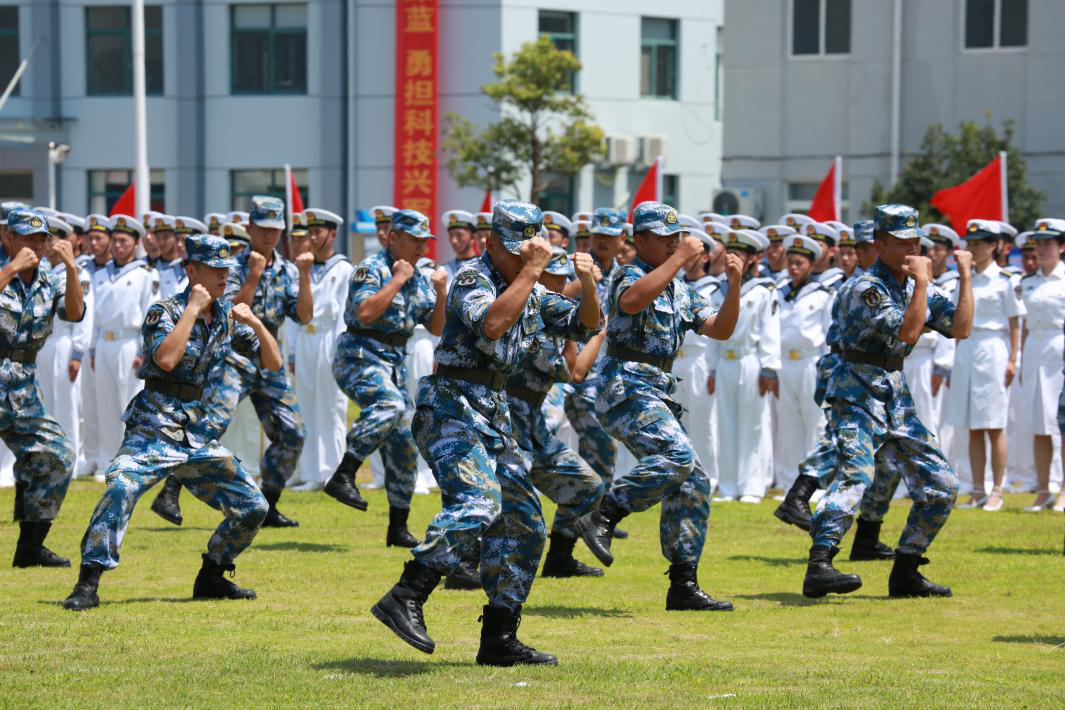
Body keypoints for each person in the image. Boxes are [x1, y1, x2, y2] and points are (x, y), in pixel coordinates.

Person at [370, 199, 601, 666]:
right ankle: (407, 592)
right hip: (450, 407)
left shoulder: (529, 288)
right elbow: (494, 324)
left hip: (493, 414)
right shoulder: (472, 279)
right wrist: (533, 272)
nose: (523, 259)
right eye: (516, 251)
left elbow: (587, 323)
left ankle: (498, 636)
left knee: (527, 523)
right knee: (479, 502)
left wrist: (591, 284)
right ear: (491, 242)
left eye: (530, 252)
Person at [62, 234, 280, 611]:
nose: (223, 278)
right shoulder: (163, 311)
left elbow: (273, 363)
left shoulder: (227, 316)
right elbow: (166, 360)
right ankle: (88, 582)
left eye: (226, 271)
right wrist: (192, 310)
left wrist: (256, 323)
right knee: (120, 488)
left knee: (253, 505)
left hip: (193, 433)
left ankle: (212, 574)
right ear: (191, 270)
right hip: (152, 425)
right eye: (215, 270)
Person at [575, 201, 743, 610]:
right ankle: (604, 514)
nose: (673, 245)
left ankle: (683, 584)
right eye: (664, 239)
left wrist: (735, 284)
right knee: (677, 455)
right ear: (640, 240)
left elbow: (719, 329)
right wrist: (682, 259)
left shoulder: (679, 288)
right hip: (626, 388)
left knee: (694, 480)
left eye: (676, 239)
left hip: (658, 389)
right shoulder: (627, 274)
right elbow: (631, 302)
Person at [802, 204, 972, 600]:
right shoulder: (866, 288)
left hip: (895, 395)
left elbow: (960, 327)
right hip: (856, 393)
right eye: (902, 242)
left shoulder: (913, 286)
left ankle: (907, 570)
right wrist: (925, 285)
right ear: (880, 245)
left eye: (916, 241)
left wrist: (964, 276)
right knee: (856, 477)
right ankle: (820, 565)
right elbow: (908, 332)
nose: (912, 249)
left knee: (941, 484)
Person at [324, 209, 446, 548]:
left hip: (394, 361)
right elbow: (364, 313)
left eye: (425, 241)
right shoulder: (372, 269)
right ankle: (344, 474)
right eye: (415, 240)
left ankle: (398, 527)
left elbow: (436, 327)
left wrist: (442, 292)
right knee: (389, 406)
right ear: (394, 238)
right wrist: (396, 281)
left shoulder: (421, 277)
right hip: (359, 356)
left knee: (405, 443)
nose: (422, 247)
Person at [200, 196, 313, 527]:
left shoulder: (288, 270)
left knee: (294, 432)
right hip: (231, 357)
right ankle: (172, 491)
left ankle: (268, 504)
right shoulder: (230, 265)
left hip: (267, 359)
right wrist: (252, 275)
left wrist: (305, 276)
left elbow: (304, 316)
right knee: (207, 427)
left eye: (275, 229)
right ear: (249, 227)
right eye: (262, 228)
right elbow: (231, 314)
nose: (268, 235)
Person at [507, 246, 604, 578]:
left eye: (565, 279)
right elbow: (571, 372)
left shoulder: (551, 316)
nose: (562, 285)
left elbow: (569, 367)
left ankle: (560, 557)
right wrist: (598, 334)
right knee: (507, 500)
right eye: (555, 278)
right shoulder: (526, 311)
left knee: (588, 485)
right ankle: (464, 564)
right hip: (506, 420)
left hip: (531, 422)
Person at [1, 208, 84, 567]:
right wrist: (10, 269)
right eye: (27, 238)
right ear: (8, 238)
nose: (35, 246)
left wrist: (70, 267)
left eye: (41, 239)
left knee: (58, 455)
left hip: (22, 386)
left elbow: (75, 313)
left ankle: (31, 547)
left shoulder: (50, 280)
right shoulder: (6, 271)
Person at [945, 220, 1024, 512]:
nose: (973, 249)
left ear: (994, 246)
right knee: (971, 425)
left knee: (993, 424)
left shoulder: (1005, 279)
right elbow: (957, 320)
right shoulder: (964, 279)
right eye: (970, 243)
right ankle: (977, 488)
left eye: (979, 244)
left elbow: (1015, 322)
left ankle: (997, 488)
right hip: (966, 348)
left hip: (993, 348)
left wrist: (1014, 359)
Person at [706, 229, 779, 503]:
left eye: (740, 254)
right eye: (730, 253)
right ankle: (727, 486)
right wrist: (711, 369)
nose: (733, 258)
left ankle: (752, 486)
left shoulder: (763, 290)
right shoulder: (718, 290)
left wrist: (769, 368)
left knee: (754, 424)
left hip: (751, 360)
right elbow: (712, 334)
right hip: (725, 361)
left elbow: (770, 331)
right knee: (725, 423)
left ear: (753, 258)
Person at [289, 209, 353, 490]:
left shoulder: (343, 269)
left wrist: (341, 350)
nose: (313, 237)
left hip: (329, 339)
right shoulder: (301, 267)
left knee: (331, 407)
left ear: (333, 234)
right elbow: (295, 315)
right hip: (305, 339)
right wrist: (291, 351)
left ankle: (332, 473)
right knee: (306, 408)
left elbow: (344, 316)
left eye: (319, 231)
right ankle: (310, 472)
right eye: (310, 232)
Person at [564, 208, 624, 493]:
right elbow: (548, 299)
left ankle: (596, 513)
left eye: (609, 236)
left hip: (602, 371)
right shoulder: (569, 264)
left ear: (621, 239)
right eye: (598, 234)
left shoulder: (625, 275)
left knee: (600, 443)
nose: (602, 241)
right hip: (563, 364)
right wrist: (580, 282)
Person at [91, 216, 158, 469]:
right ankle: (108, 458)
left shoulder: (144, 275)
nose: (118, 246)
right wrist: (93, 349)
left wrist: (144, 351)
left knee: (129, 401)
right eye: (115, 241)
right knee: (105, 403)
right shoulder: (101, 273)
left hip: (130, 344)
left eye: (124, 241)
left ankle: (132, 456)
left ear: (136, 243)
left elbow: (150, 316)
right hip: (105, 342)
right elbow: (94, 317)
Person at [36, 217, 93, 483]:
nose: (46, 245)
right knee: (45, 403)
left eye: (50, 240)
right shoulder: (44, 271)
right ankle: (48, 457)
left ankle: (69, 459)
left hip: (65, 342)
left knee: (67, 406)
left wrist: (77, 353)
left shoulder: (76, 272)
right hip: (44, 343)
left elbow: (82, 317)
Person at [774, 235, 833, 490]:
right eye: (791, 262)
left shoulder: (822, 295)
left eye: (799, 263)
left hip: (811, 362)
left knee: (815, 424)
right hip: (785, 362)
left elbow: (830, 336)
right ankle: (789, 484)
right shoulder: (780, 293)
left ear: (811, 264)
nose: (794, 268)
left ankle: (815, 485)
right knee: (788, 425)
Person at [1015, 219, 1065, 511]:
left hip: (1060, 349)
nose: (1043, 249)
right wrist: (1021, 359)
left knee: (1062, 423)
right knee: (1039, 423)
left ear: (1061, 247)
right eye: (1039, 244)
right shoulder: (1028, 282)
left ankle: (1063, 489)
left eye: (1048, 244)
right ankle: (1043, 488)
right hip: (1035, 351)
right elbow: (1025, 326)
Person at [441, 209, 478, 284]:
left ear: (473, 237)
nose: (454, 240)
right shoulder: (444, 270)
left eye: (460, 235)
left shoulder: (482, 266)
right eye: (451, 235)